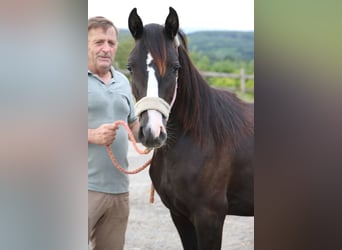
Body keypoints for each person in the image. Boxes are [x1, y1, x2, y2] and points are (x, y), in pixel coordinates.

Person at [88, 16, 140, 250]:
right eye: (99, 42)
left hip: (119, 191)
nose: (106, 48)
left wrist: (152, 136)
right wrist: (91, 135)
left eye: (111, 42)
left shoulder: (122, 81)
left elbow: (133, 123)